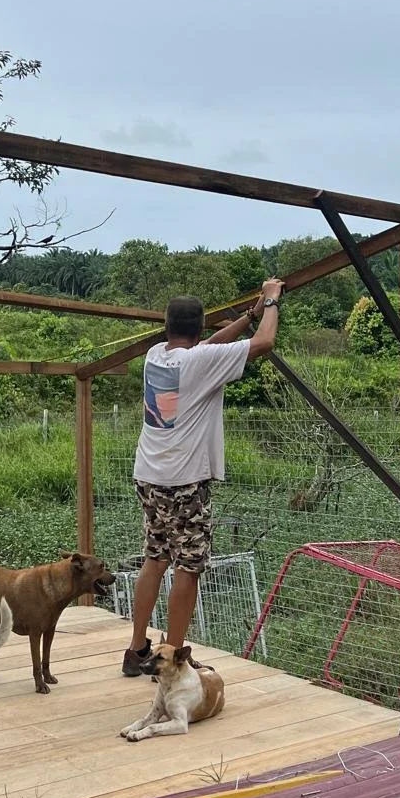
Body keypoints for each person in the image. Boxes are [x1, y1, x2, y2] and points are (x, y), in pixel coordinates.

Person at [122, 277, 285, 675]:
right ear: (198, 329)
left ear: (167, 325)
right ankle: (173, 657)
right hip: (184, 481)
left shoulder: (157, 355)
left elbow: (208, 347)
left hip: (149, 474)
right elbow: (264, 344)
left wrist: (245, 318)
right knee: (188, 567)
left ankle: (137, 648)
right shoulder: (197, 362)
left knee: (155, 559)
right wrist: (271, 302)